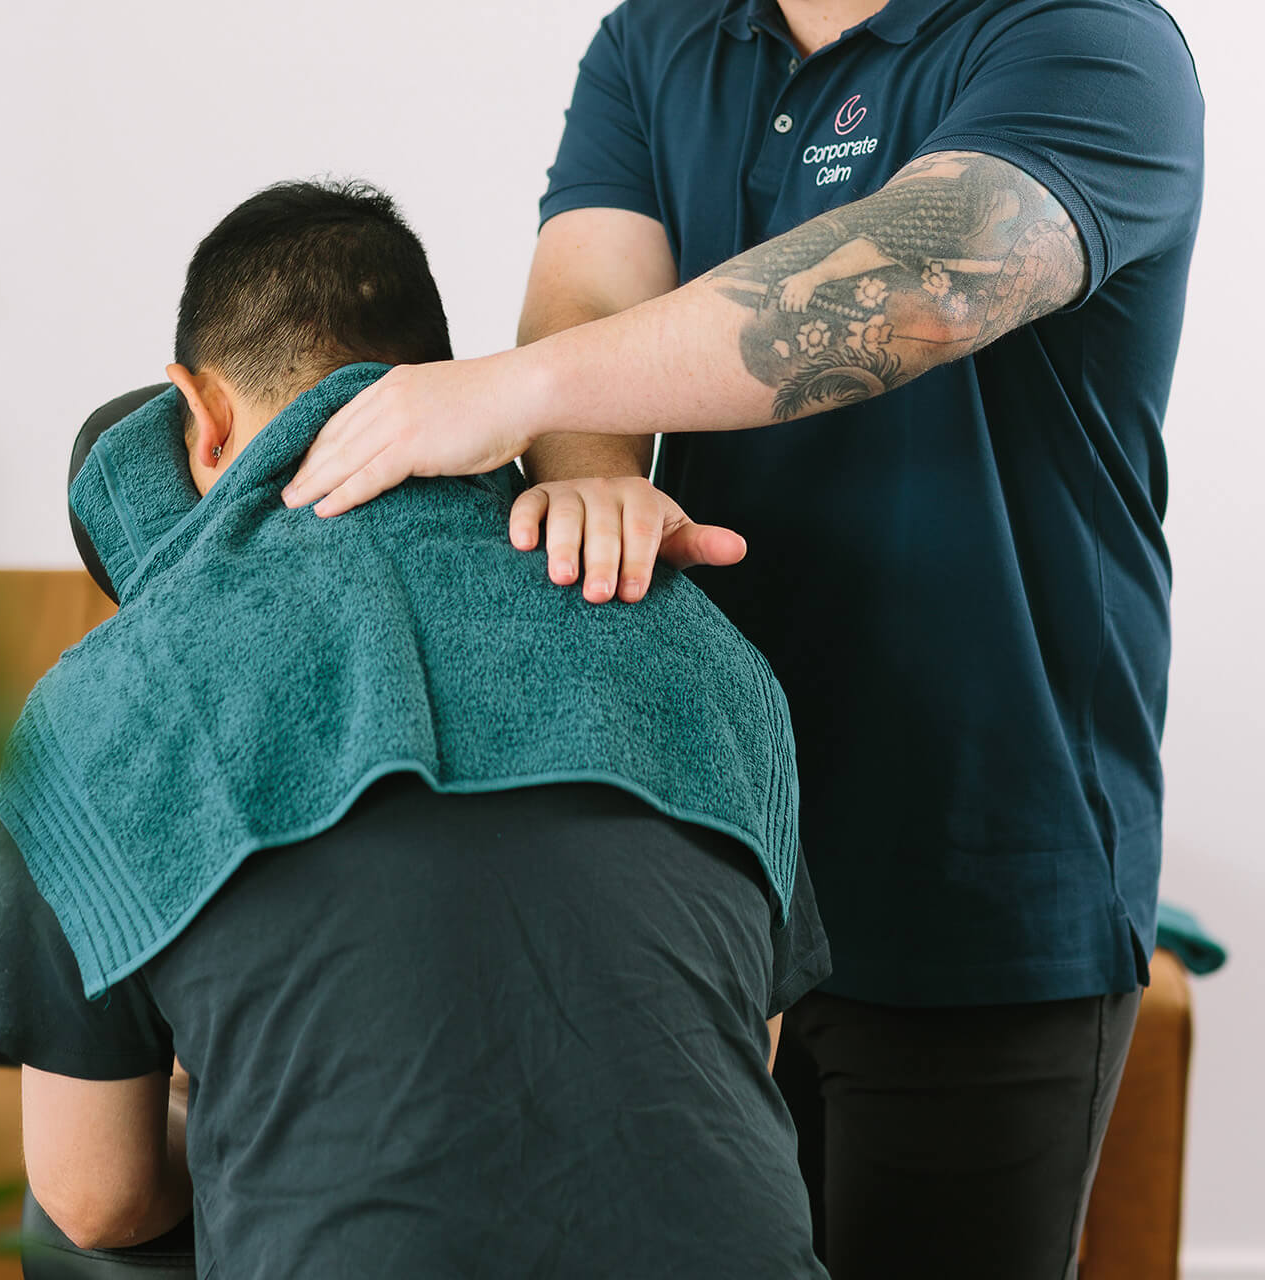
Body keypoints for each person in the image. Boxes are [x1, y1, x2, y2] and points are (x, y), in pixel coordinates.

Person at [279, 3, 1203, 1277]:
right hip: (702, 867)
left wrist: (508, 394)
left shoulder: (1088, 38)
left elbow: (912, 283)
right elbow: (592, 288)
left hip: (985, 875)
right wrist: (591, 470)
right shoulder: (659, 39)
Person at [0, 179, 832, 1278]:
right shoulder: (701, 651)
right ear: (436, 380)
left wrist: (254, 1121)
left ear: (203, 412)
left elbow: (97, 1196)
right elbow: (731, 1052)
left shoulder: (105, 704)